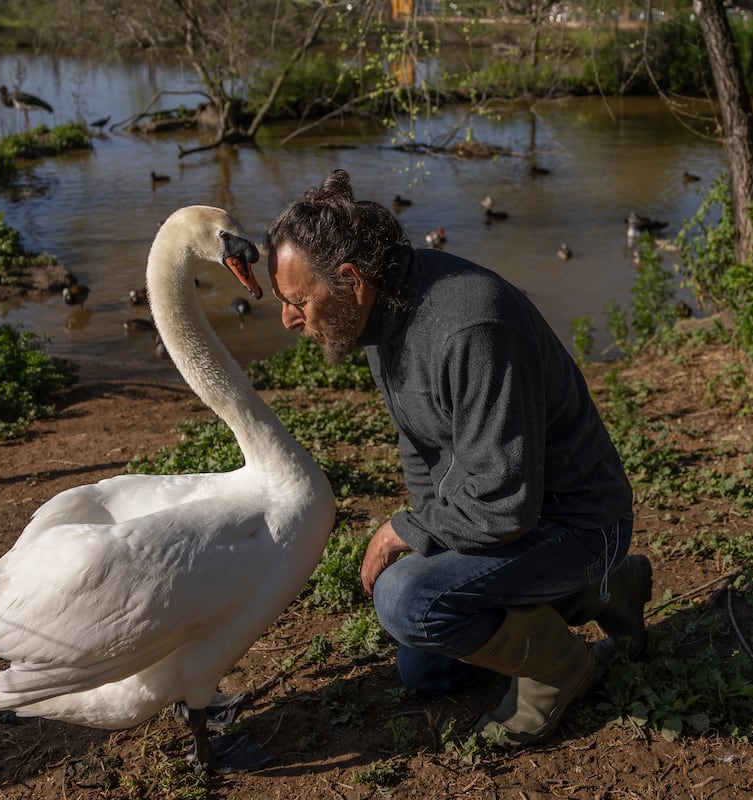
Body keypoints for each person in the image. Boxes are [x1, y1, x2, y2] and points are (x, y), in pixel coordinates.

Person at [265, 169, 652, 746]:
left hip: (574, 522)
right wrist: (432, 537)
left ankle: (566, 665)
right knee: (424, 666)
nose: (288, 318)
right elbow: (422, 452)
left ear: (350, 280)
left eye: (297, 300)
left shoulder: (470, 325)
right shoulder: (379, 317)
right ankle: (604, 589)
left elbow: (505, 502)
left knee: (408, 601)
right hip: (519, 522)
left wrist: (408, 530)